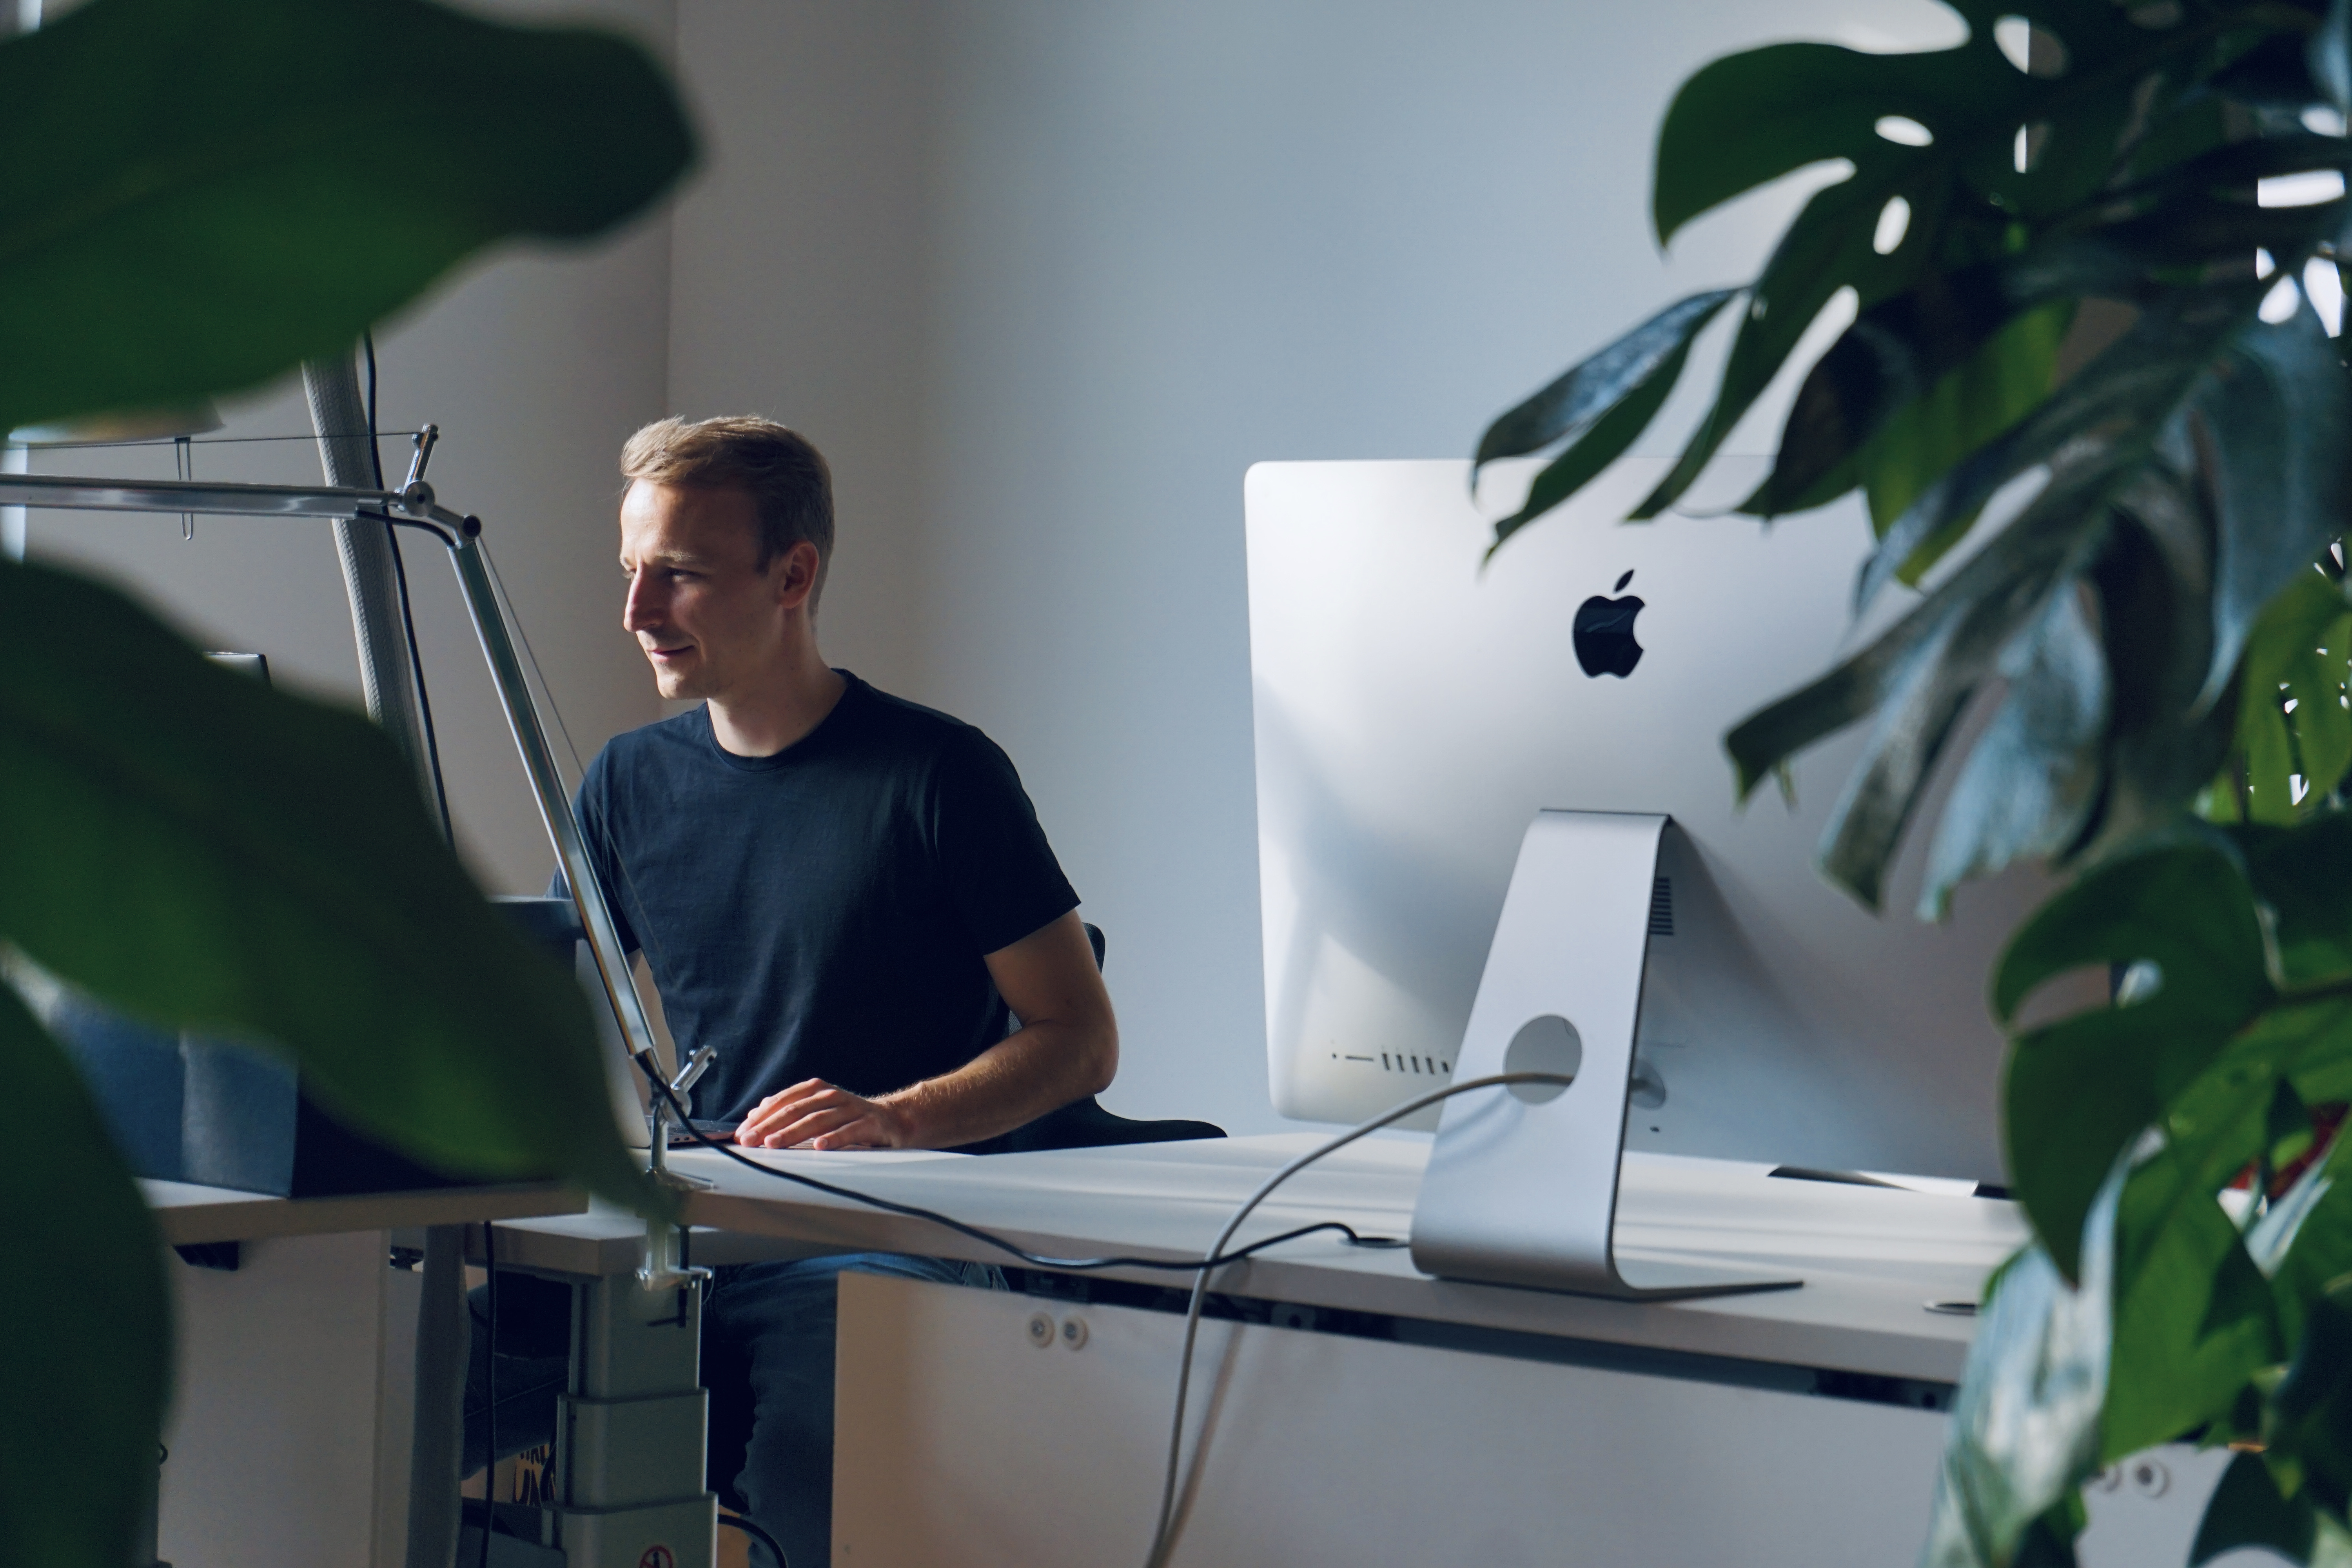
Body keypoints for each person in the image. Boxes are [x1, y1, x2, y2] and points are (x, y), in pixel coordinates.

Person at [465, 415, 1118, 1567]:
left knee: (817, 1439)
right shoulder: (626, 782)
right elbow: (549, 1015)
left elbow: (1078, 1037)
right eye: (631, 571)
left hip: (883, 1237)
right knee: (405, 1377)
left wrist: (895, 1118)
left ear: (793, 576)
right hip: (700, 1225)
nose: (638, 612)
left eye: (681, 573)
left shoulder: (941, 775)